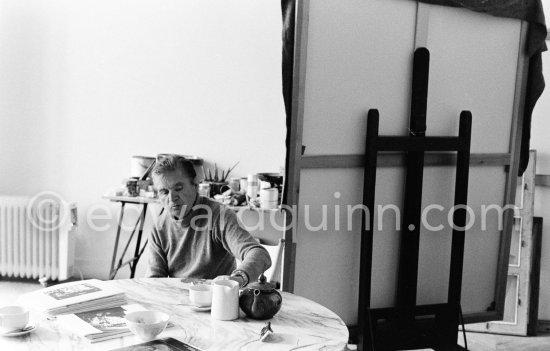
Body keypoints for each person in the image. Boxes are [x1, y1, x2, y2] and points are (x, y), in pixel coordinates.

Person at [146, 155, 271, 288]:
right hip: (178, 301)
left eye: (178, 188)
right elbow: (154, 282)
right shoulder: (159, 228)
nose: (172, 198)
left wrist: (237, 279)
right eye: (164, 192)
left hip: (216, 300)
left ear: (195, 185)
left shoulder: (219, 215)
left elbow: (259, 254)